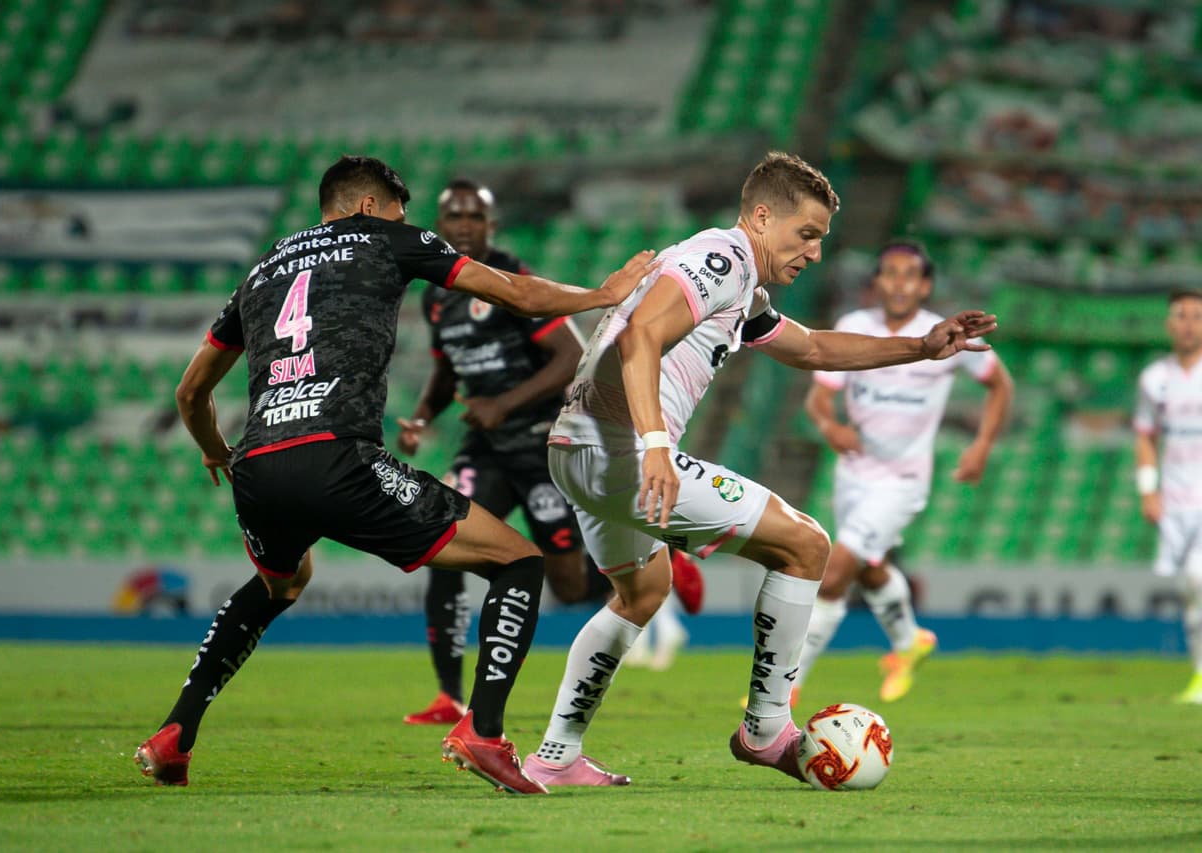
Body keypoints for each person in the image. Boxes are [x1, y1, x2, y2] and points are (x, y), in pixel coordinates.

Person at [132, 154, 655, 794]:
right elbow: (516, 293)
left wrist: (215, 450)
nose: (408, 223)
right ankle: (482, 733)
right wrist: (605, 293)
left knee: (278, 585)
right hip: (337, 457)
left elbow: (191, 393)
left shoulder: (263, 269)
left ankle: (175, 735)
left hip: (258, 467)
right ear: (369, 207)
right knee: (518, 561)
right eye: (400, 213)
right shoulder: (388, 238)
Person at [516, 150, 997, 788]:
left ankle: (556, 757)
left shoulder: (740, 283)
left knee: (641, 594)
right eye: (807, 235)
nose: (816, 252)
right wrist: (655, 444)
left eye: (822, 240)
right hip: (626, 451)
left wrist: (919, 347)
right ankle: (767, 729)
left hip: (575, 453)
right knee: (806, 545)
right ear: (763, 217)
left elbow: (814, 347)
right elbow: (640, 340)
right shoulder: (722, 259)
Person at [399, 180, 708, 723]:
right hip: (486, 449)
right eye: (455, 216)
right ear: (440, 226)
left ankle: (665, 562)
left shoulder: (513, 283)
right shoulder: (437, 295)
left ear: (491, 226)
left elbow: (567, 357)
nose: (465, 225)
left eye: (476, 216)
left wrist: (503, 404)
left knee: (567, 585)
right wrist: (424, 416)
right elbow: (448, 369)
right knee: (441, 544)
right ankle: (450, 696)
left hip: (539, 443)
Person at [794, 239, 1014, 706]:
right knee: (870, 567)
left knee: (834, 575)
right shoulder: (854, 327)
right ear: (876, 282)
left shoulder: (942, 335)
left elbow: (999, 385)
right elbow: (820, 395)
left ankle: (786, 687)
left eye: (909, 274)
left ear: (926, 285)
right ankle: (910, 642)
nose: (898, 282)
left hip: (903, 480)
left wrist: (981, 446)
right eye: (889, 273)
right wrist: (828, 424)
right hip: (853, 474)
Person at [1134, 289, 1202, 705]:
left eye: (1197, 315)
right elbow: (1145, 435)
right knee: (1189, 591)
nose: (1190, 322)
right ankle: (1199, 675)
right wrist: (1148, 490)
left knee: (1199, 578)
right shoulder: (1154, 379)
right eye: (1181, 315)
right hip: (1176, 500)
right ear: (1169, 324)